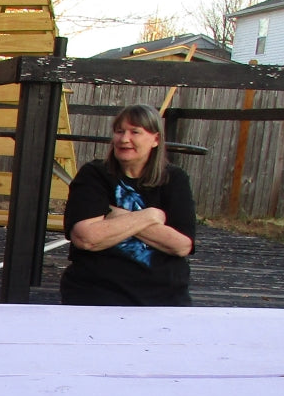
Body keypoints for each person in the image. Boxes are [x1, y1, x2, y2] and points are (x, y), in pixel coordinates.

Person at [60, 103, 196, 306]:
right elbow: (86, 238)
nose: (124, 139)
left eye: (135, 132)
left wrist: (119, 216)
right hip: (96, 293)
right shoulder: (94, 174)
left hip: (163, 296)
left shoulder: (174, 179)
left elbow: (182, 245)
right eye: (119, 131)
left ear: (155, 139)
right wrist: (149, 216)